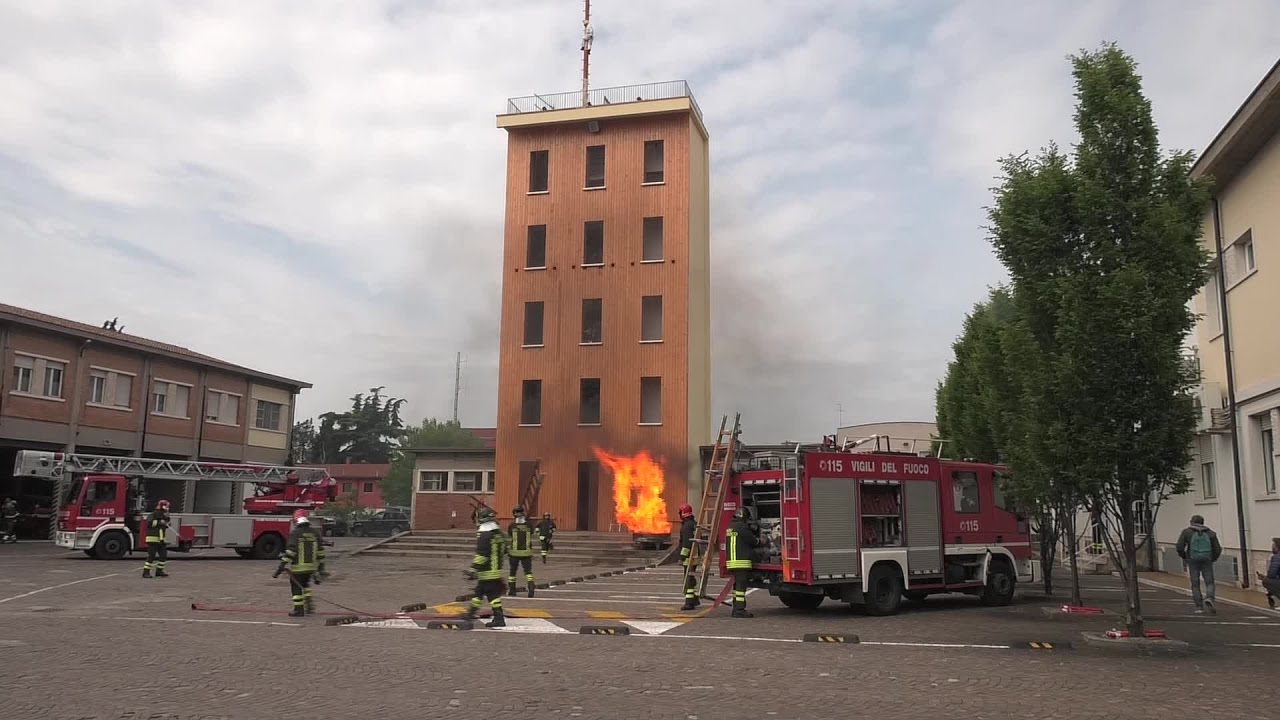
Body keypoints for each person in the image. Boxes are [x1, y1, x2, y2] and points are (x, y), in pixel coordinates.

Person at [275, 510, 326, 617]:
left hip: (298, 567)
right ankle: (308, 602)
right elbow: (320, 552)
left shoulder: (296, 533)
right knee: (305, 584)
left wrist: (281, 566)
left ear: (296, 520)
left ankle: (299, 610)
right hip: (311, 567)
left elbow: (291, 551)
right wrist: (321, 568)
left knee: (296, 587)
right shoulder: (314, 532)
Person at [463, 507, 508, 628]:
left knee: (492, 596)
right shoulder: (499, 534)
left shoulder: (485, 535)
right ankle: (470, 614)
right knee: (479, 593)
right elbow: (504, 551)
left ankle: (499, 618)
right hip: (496, 569)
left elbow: (482, 554)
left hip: (487, 571)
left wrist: (473, 569)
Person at [1176, 514, 1222, 615]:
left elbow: (1179, 546)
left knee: (1195, 584)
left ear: (1192, 522)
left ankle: (1199, 607)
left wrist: (1184, 556)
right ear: (1202, 522)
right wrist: (1213, 558)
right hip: (1207, 559)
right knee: (1209, 582)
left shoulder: (1187, 532)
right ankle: (1209, 597)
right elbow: (1218, 548)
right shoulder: (1211, 533)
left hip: (1192, 560)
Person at [725, 507, 758, 618]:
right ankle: (739, 610)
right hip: (741, 562)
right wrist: (760, 540)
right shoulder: (742, 527)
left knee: (737, 586)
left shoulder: (731, 526)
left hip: (732, 562)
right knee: (741, 587)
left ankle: (736, 608)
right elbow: (752, 541)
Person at [507, 505, 537, 597]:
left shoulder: (512, 525)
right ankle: (531, 588)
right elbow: (532, 532)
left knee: (512, 572)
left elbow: (510, 534)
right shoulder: (529, 525)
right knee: (528, 572)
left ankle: (512, 590)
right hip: (527, 552)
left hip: (514, 553)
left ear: (514, 514)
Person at [677, 503, 699, 611]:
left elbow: (686, 543)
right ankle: (694, 599)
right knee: (690, 576)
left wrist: (682, 557)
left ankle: (689, 603)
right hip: (695, 555)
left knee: (688, 579)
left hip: (689, 557)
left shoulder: (686, 527)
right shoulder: (693, 524)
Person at [142, 499, 171, 578]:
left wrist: (166, 522)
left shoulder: (163, 515)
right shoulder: (153, 514)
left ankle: (159, 571)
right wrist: (159, 522)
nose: (168, 508)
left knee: (163, 555)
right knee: (151, 556)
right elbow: (149, 523)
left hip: (161, 539)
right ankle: (145, 572)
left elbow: (166, 522)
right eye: (167, 506)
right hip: (153, 539)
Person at [1255, 537, 1280, 610]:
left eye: (1273, 545)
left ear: (1277, 547)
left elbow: (1272, 574)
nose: (1272, 547)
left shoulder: (1277, 557)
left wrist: (1264, 577)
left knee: (1267, 581)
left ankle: (1272, 597)